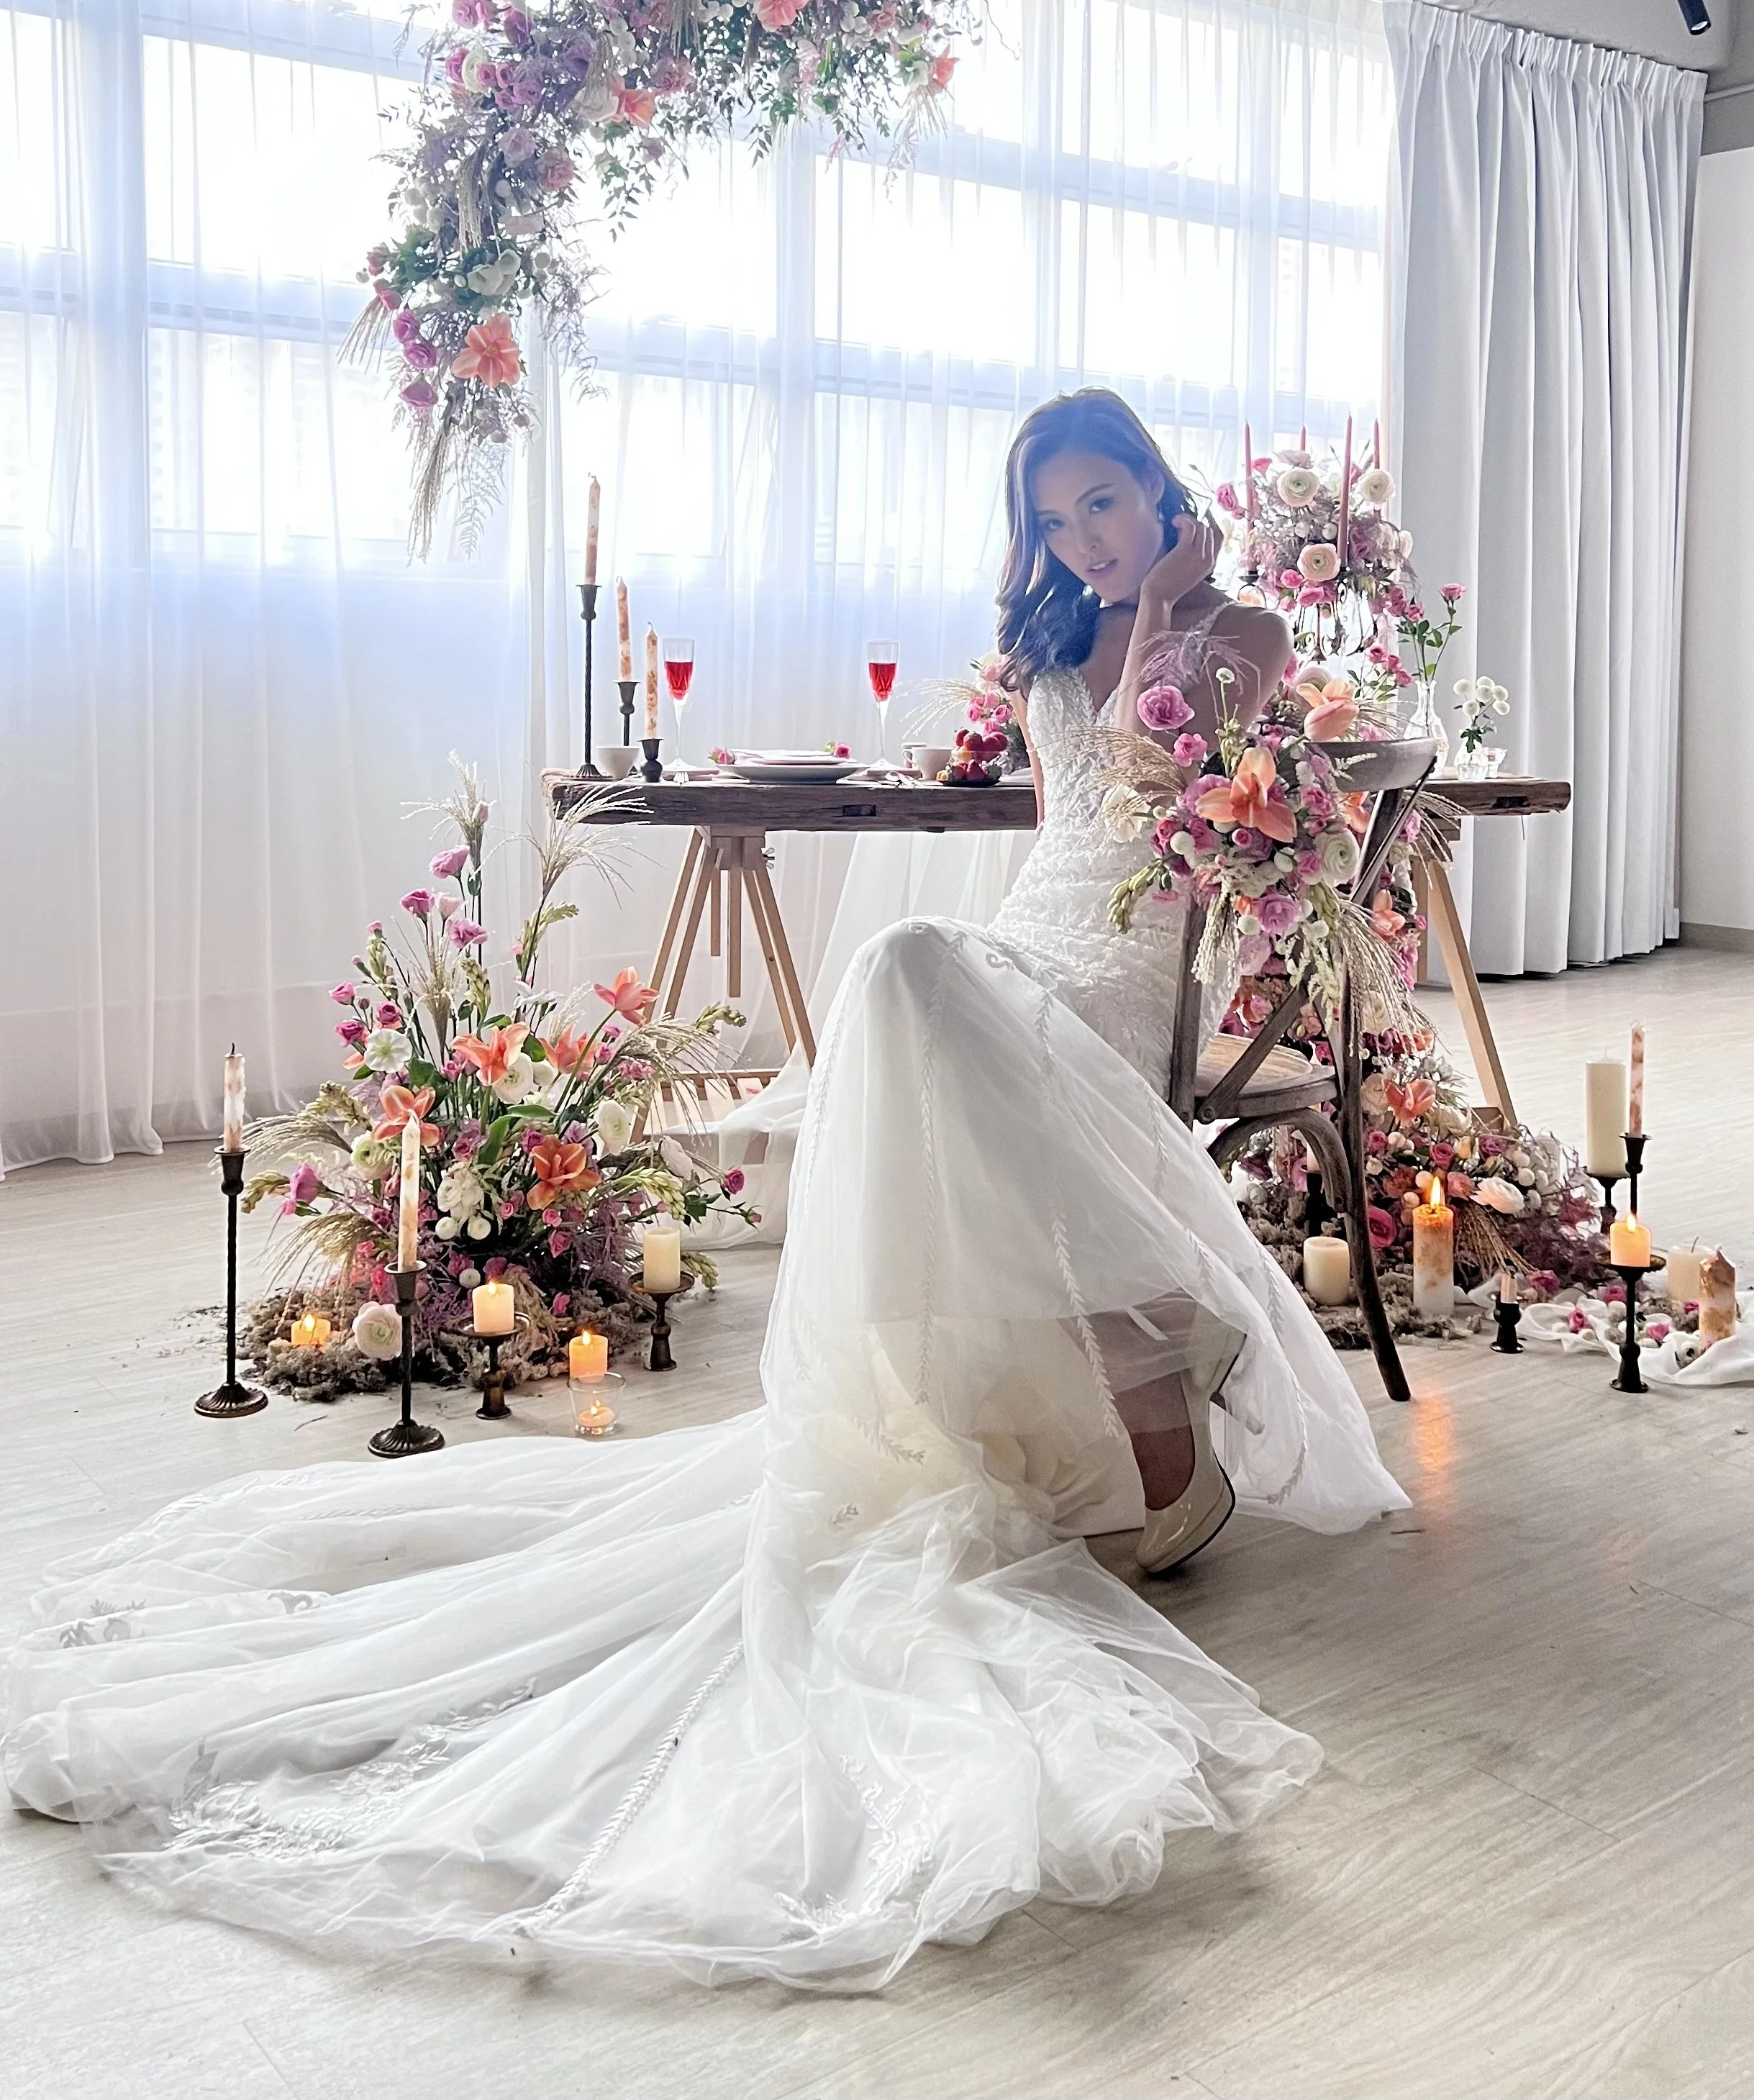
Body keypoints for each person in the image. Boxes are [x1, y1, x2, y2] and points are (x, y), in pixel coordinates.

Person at [6, 388, 1407, 1994]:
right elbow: (1051, 829)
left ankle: (1149, 1352)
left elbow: (1178, 797)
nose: (1081, 537)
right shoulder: (1044, 650)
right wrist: (1101, 623)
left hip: (1135, 978)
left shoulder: (1236, 630)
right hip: (1036, 941)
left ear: (1162, 489)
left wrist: (1163, 603)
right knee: (904, 983)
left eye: (1107, 499)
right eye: (1055, 516)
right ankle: (1140, 1349)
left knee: (900, 973)